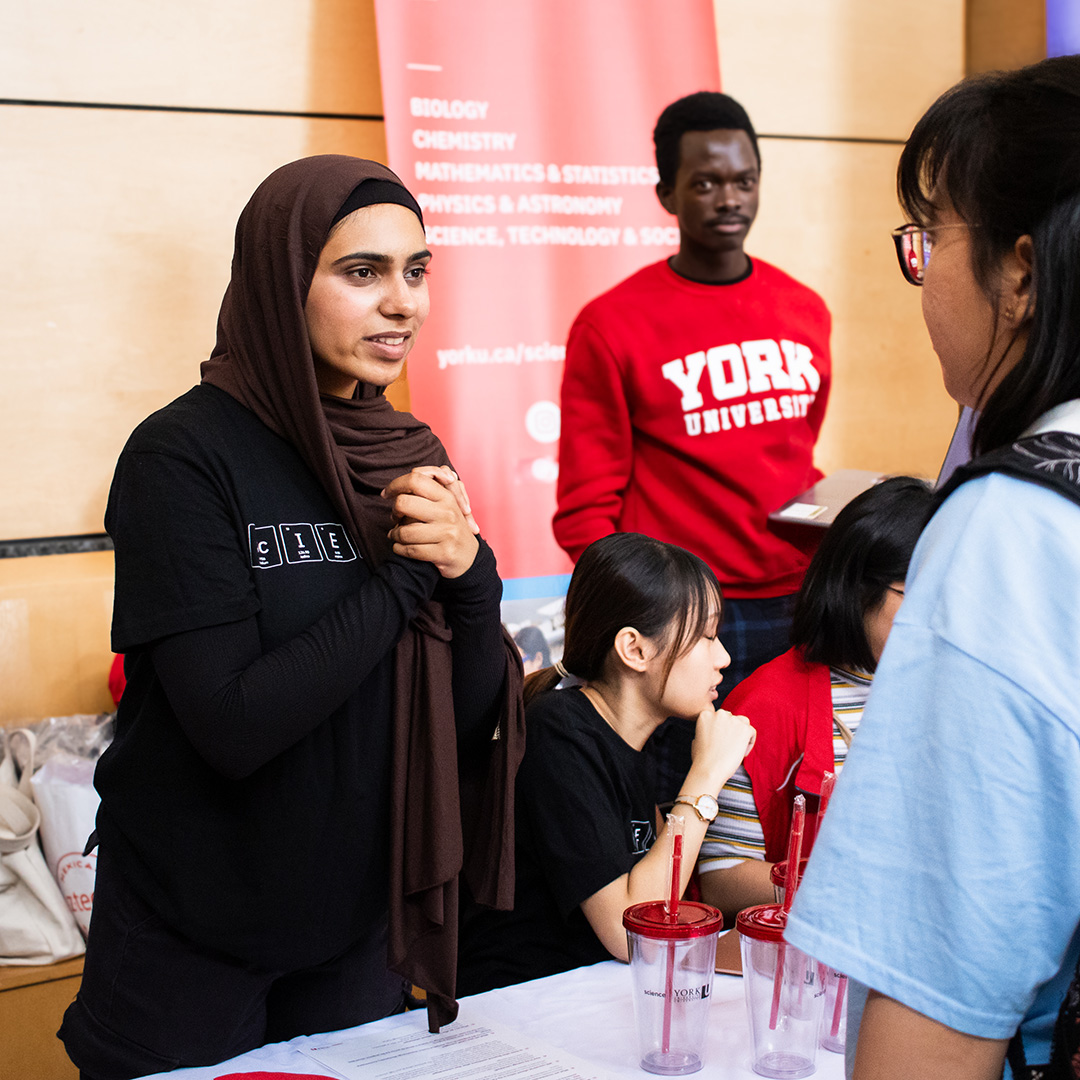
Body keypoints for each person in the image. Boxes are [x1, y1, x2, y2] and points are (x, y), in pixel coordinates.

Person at [59, 156, 524, 1080]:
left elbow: (467, 719)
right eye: (363, 273)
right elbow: (233, 722)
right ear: (283, 281)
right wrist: (399, 580)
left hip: (353, 929)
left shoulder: (406, 450)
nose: (404, 303)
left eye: (417, 270)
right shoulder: (182, 457)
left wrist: (470, 579)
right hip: (193, 931)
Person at [783, 57, 1080, 1079]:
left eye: (934, 235)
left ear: (1024, 273)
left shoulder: (1019, 528)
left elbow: (942, 999)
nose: (922, 278)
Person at [553, 91, 831, 801]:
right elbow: (585, 508)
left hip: (799, 601)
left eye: (743, 180)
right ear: (666, 194)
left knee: (777, 803)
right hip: (681, 618)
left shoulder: (805, 310)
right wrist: (642, 624)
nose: (727, 198)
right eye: (705, 183)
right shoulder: (612, 324)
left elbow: (797, 455)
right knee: (673, 801)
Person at [457, 532, 756, 996]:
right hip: (520, 1005)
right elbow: (631, 930)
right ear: (634, 649)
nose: (724, 658)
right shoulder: (557, 732)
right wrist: (705, 779)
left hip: (591, 993)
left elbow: (660, 904)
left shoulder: (629, 738)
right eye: (706, 636)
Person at [696, 476, 934, 924]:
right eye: (916, 594)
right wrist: (847, 883)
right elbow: (720, 877)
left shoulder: (959, 689)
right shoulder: (767, 704)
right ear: (856, 587)